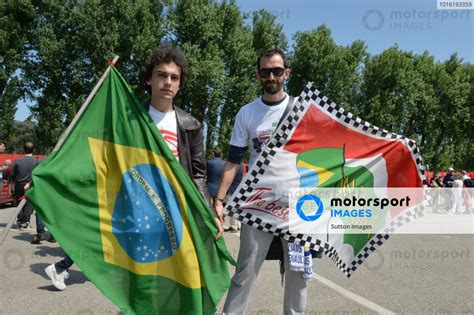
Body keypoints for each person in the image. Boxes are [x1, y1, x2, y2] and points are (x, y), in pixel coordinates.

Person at [45, 45, 222, 290]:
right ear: (149, 79)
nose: (168, 82)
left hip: (172, 210)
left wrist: (209, 211)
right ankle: (61, 268)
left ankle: (61, 267)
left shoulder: (191, 124)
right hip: (134, 206)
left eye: (174, 77)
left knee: (172, 279)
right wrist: (50, 174)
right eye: (161, 75)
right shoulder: (127, 117)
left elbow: (198, 174)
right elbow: (99, 156)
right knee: (137, 280)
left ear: (180, 84)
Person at [214, 48, 310, 314]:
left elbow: (323, 156)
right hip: (257, 205)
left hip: (297, 209)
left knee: (298, 274)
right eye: (266, 71)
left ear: (286, 74)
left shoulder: (302, 110)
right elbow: (234, 160)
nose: (271, 76)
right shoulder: (247, 113)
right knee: (244, 272)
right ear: (258, 76)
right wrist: (219, 200)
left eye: (277, 71)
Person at [9, 142, 45, 237]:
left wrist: (11, 188)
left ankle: (21, 222)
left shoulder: (17, 161)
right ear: (33, 150)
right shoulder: (38, 160)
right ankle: (25, 222)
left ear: (23, 149)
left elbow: (12, 175)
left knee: (19, 203)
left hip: (19, 184)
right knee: (29, 204)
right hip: (32, 184)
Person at [207, 147, 243, 232]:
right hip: (233, 188)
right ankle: (237, 224)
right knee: (235, 206)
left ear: (213, 153)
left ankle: (218, 224)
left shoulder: (210, 162)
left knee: (215, 207)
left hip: (213, 187)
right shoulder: (227, 164)